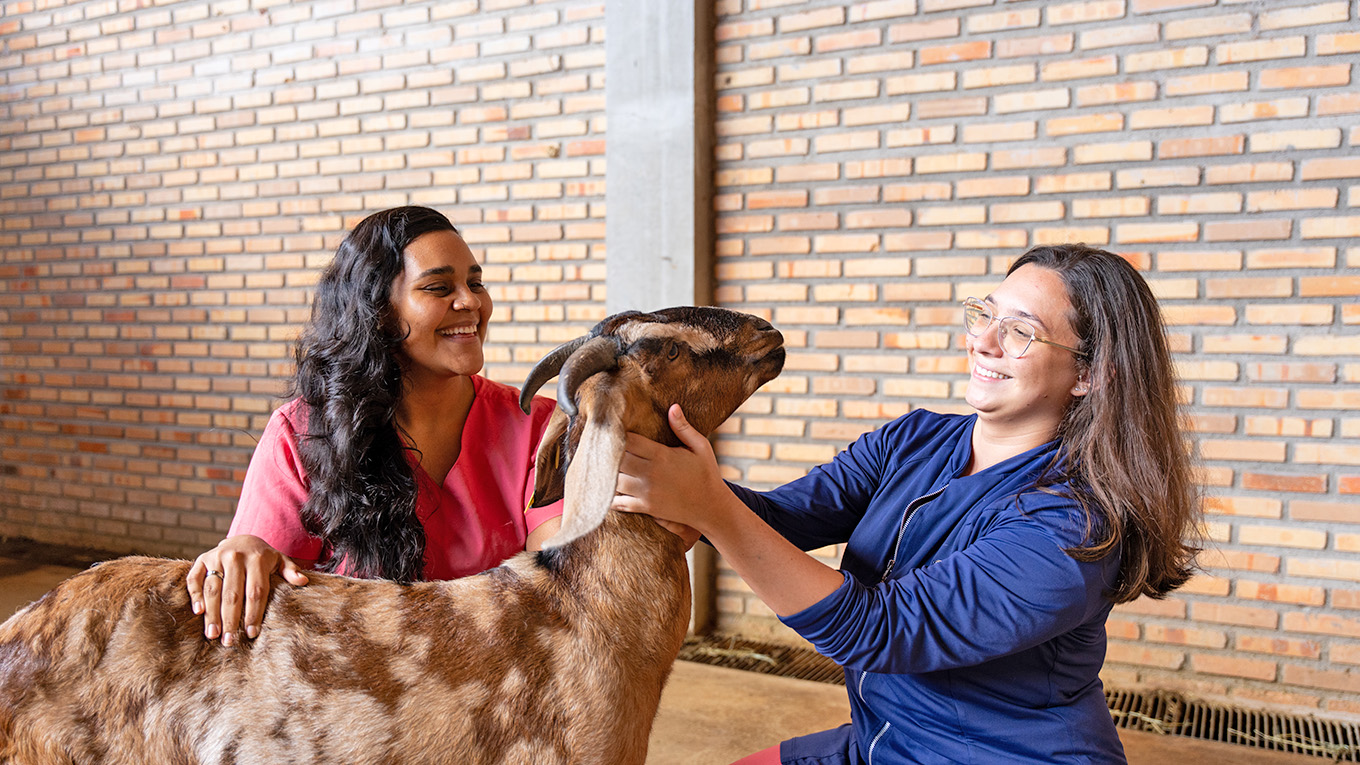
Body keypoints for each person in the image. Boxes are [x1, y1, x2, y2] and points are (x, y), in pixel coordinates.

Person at [614, 244, 1200, 764]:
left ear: (1090, 374)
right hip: (885, 741)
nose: (984, 341)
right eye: (985, 313)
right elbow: (779, 521)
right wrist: (665, 466)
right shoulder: (914, 440)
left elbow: (880, 628)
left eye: (1020, 331)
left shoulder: (1074, 524)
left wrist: (708, 505)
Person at [185, 206, 563, 646]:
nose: (472, 302)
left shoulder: (539, 426)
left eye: (475, 283)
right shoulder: (304, 433)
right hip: (355, 699)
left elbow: (558, 578)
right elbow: (264, 592)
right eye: (439, 287)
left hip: (497, 688)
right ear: (377, 311)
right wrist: (243, 552)